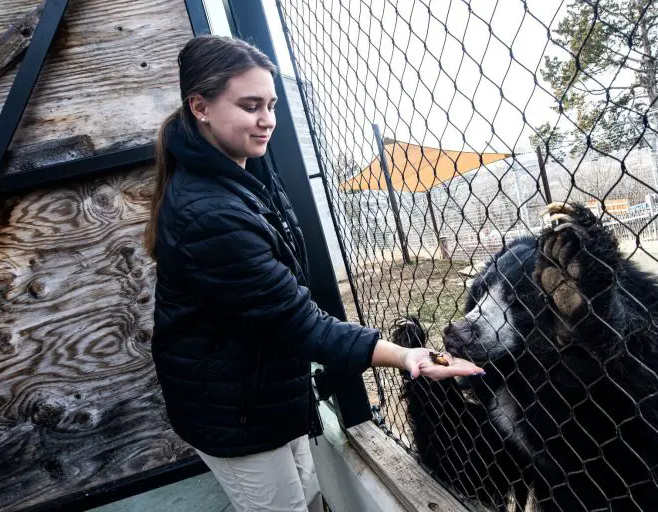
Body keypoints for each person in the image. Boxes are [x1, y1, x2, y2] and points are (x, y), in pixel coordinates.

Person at [143, 34, 484, 512]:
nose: (267, 120)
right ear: (200, 107)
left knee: (309, 495)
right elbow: (298, 322)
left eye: (271, 105)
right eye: (250, 106)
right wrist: (406, 356)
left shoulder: (243, 168)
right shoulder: (209, 212)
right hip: (233, 412)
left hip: (263, 389)